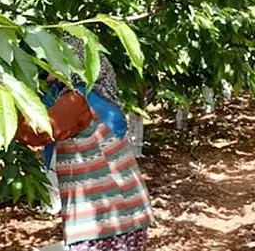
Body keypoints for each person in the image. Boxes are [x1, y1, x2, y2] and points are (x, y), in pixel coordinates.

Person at [16, 36, 154, 250]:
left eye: (55, 58)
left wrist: (5, 98)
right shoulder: (93, 96)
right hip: (124, 214)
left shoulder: (78, 101)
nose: (49, 66)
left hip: (109, 221)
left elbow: (38, 132)